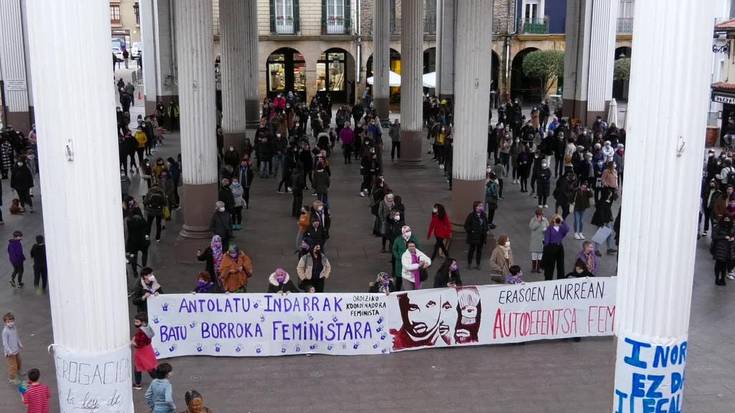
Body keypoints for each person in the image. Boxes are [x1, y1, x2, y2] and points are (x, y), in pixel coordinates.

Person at [132, 312, 158, 390]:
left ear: (142, 322)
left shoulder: (141, 332)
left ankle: (138, 384)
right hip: (148, 349)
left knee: (139, 367)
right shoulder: (147, 327)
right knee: (150, 366)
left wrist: (133, 342)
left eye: (137, 322)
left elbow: (139, 344)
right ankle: (158, 381)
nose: (135, 323)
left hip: (141, 351)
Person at [591, 188, 618, 255]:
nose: (611, 195)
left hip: (606, 219)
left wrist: (610, 216)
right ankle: (596, 250)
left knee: (609, 233)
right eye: (610, 194)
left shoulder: (607, 200)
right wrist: (603, 222)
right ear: (607, 194)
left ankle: (608, 249)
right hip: (601, 220)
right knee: (600, 234)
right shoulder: (602, 202)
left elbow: (614, 199)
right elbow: (601, 212)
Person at [542, 214, 569, 280]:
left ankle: (561, 279)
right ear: (553, 220)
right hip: (551, 247)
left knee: (561, 264)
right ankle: (548, 279)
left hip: (559, 246)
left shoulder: (561, 228)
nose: (557, 220)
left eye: (558, 219)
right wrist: (546, 250)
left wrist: (562, 221)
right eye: (556, 219)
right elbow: (546, 240)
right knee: (550, 265)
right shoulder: (549, 228)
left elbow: (567, 229)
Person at [464, 202, 489, 269]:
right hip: (473, 237)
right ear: (475, 207)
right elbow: (466, 226)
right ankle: (469, 264)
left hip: (481, 236)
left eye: (482, 206)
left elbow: (486, 224)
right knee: (471, 250)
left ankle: (478, 264)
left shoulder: (484, 215)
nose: (481, 207)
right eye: (479, 206)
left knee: (479, 251)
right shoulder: (471, 216)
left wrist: (486, 229)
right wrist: (471, 231)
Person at [392, 225, 418, 291]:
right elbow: (394, 249)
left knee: (410, 280)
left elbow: (418, 249)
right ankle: (397, 292)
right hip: (400, 264)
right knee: (399, 280)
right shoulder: (398, 240)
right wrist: (398, 257)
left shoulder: (414, 239)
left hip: (410, 263)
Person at [711, 216, 734, 286]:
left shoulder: (732, 227)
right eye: (725, 219)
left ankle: (722, 279)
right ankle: (717, 278)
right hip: (719, 249)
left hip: (728, 249)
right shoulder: (718, 227)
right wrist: (724, 237)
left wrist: (733, 238)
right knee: (718, 264)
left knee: (724, 265)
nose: (727, 221)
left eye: (728, 219)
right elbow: (714, 236)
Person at [2, 312, 22, 384]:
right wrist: (9, 351)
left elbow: (17, 337)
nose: (10, 323)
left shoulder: (14, 328)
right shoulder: (5, 331)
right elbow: (5, 343)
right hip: (10, 353)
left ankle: (18, 371)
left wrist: (19, 344)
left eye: (12, 321)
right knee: (13, 366)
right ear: (5, 323)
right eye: (8, 322)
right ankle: (12, 378)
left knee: (19, 362)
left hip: (16, 350)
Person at [528, 208, 548, 274]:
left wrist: (546, 230)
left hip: (542, 239)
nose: (541, 216)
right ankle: (533, 268)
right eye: (539, 215)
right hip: (535, 240)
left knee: (540, 255)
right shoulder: (533, 220)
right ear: (536, 215)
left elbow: (548, 227)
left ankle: (538, 268)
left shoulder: (545, 220)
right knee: (534, 255)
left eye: (541, 215)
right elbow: (532, 227)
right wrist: (538, 222)